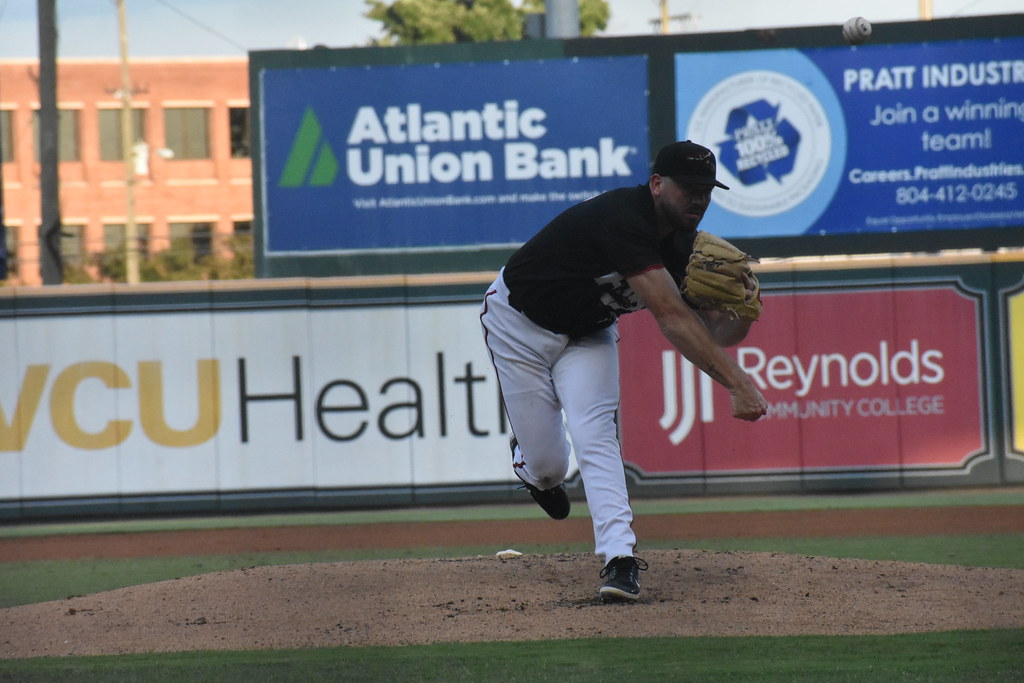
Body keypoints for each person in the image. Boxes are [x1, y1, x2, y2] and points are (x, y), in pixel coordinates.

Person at [479, 140, 767, 602]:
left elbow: (713, 333)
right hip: (519, 325)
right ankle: (530, 467)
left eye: (707, 190)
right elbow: (672, 318)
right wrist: (738, 383)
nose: (698, 199)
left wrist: (741, 313)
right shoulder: (623, 218)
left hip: (589, 334)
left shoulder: (687, 250)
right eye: (687, 187)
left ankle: (620, 560)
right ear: (657, 184)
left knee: (595, 435)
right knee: (551, 469)